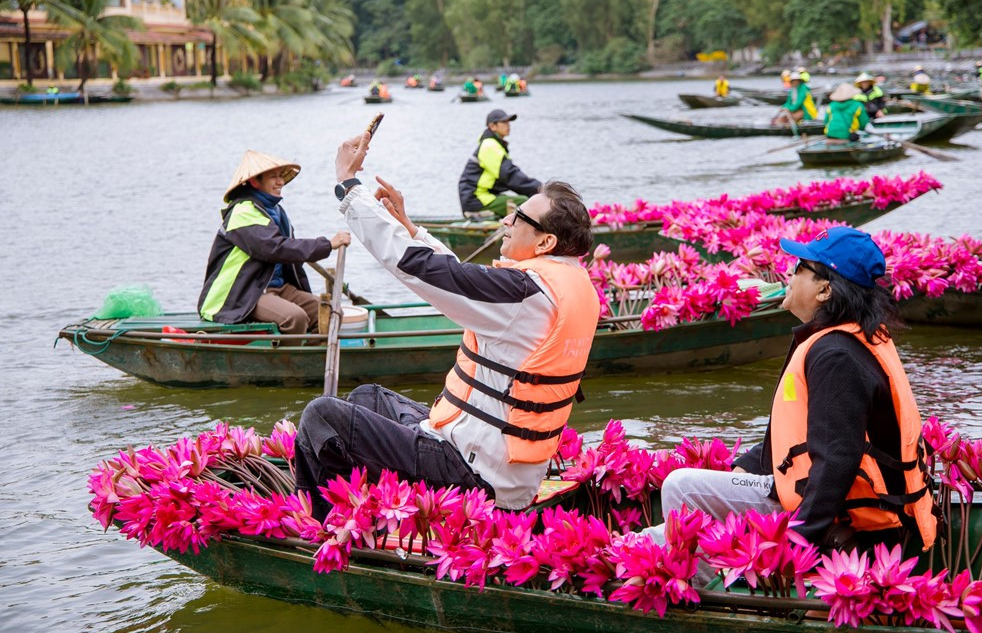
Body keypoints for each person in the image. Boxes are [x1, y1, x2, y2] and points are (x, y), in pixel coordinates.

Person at [293, 130, 600, 518]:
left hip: (475, 478)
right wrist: (409, 228)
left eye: (519, 216)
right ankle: (370, 505)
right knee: (367, 397)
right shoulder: (563, 284)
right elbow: (455, 275)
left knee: (321, 416)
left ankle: (321, 523)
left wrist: (348, 185)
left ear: (544, 243)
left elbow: (418, 268)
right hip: (504, 470)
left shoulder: (524, 294)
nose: (507, 219)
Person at [642, 227, 937, 584]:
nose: (789, 273)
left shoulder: (836, 355)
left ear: (825, 290)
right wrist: (744, 467)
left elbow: (837, 460)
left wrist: (796, 545)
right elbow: (800, 439)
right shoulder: (846, 338)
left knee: (679, 485)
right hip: (816, 497)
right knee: (655, 535)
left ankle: (715, 590)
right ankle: (694, 568)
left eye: (799, 267)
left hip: (847, 525)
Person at [197, 150, 351, 335]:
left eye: (281, 176)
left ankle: (309, 352)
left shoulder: (276, 211)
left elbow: (287, 248)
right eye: (273, 177)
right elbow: (275, 248)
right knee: (295, 317)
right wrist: (327, 245)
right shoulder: (242, 212)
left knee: (331, 313)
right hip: (244, 292)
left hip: (278, 287)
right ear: (254, 181)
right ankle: (292, 354)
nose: (280, 182)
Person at [459, 109, 542, 218]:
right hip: (476, 199)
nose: (508, 125)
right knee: (524, 203)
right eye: (504, 122)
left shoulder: (494, 144)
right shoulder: (489, 146)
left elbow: (510, 177)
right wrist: (540, 190)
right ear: (492, 126)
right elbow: (510, 175)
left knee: (525, 200)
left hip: (482, 197)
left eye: (508, 122)